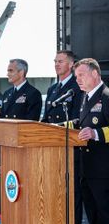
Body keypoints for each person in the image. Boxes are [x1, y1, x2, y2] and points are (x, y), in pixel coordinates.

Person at [41, 50, 83, 224]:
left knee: (71, 194)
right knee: (54, 192)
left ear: (71, 64)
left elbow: (79, 119)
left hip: (70, 148)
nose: (57, 64)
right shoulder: (52, 88)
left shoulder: (77, 86)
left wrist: (56, 127)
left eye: (61, 61)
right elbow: (46, 118)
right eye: (55, 61)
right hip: (52, 148)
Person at [74, 58, 109, 223]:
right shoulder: (85, 97)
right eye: (76, 76)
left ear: (95, 73)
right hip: (86, 169)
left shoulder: (106, 96)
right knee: (92, 215)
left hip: (103, 171)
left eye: (81, 75)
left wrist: (95, 134)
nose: (78, 79)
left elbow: (92, 129)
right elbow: (81, 123)